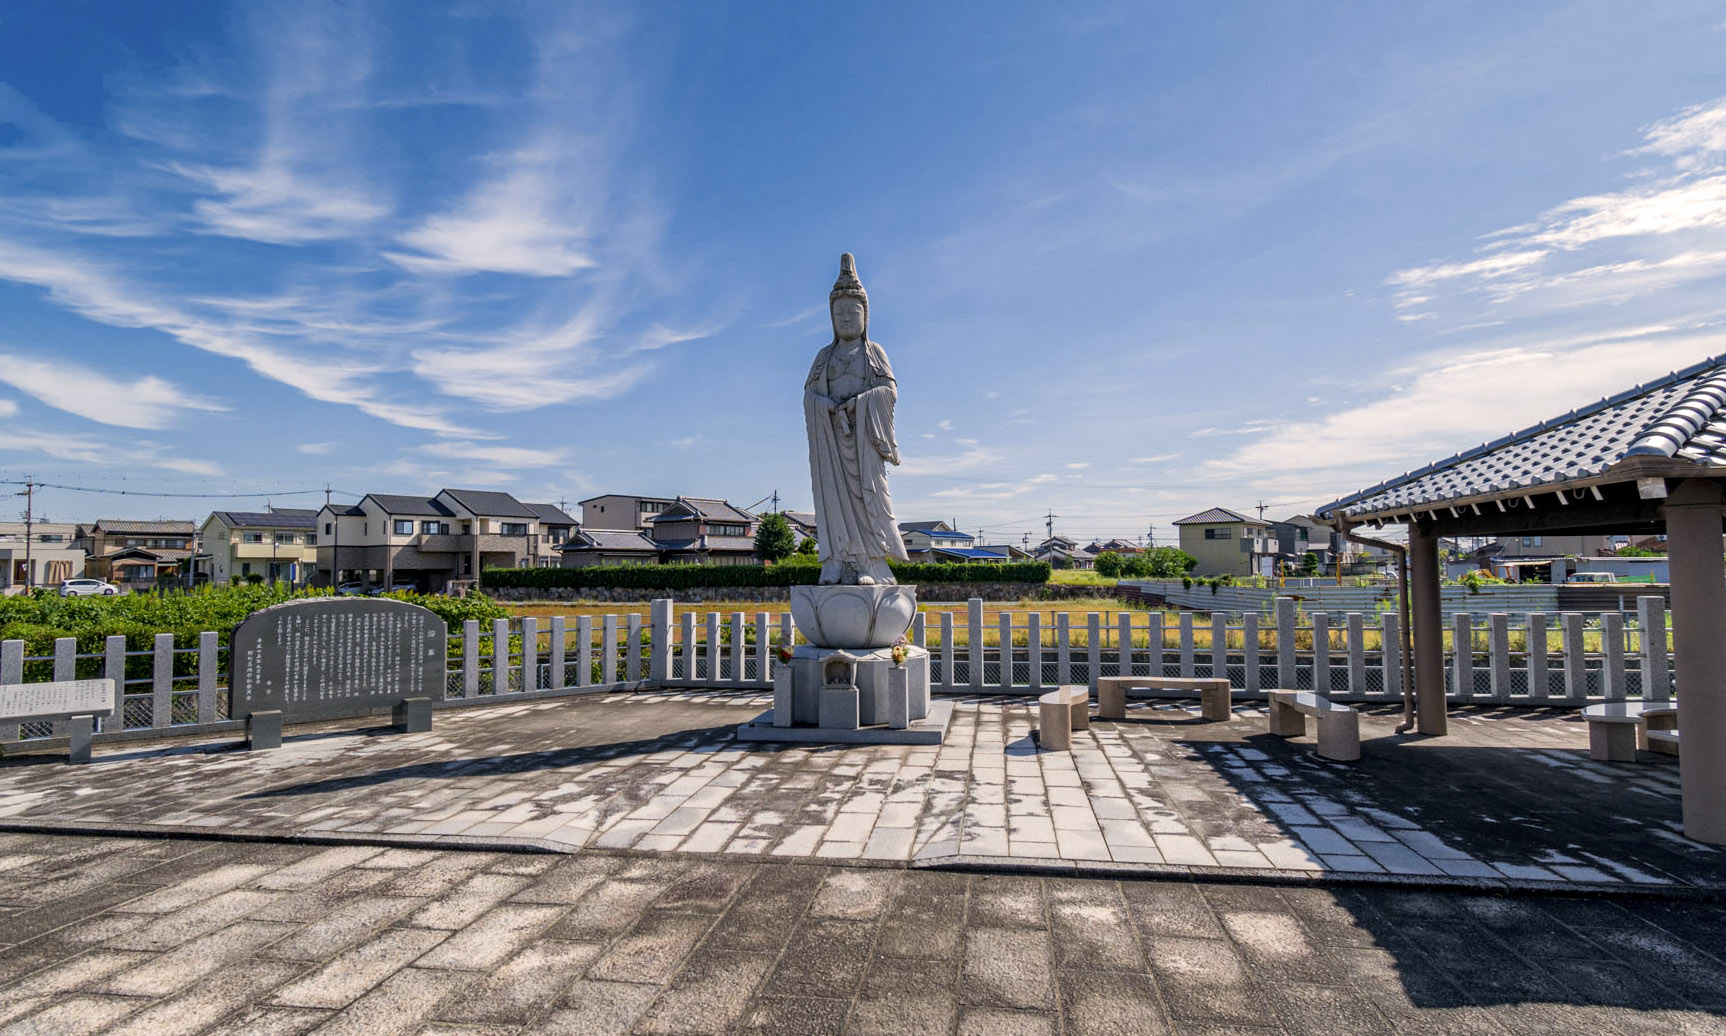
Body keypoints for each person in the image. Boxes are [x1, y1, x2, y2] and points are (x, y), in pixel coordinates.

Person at [803, 254, 910, 585]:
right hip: (833, 441)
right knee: (832, 500)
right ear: (831, 318)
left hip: (864, 441)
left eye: (853, 311)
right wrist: (827, 407)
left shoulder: (874, 352)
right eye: (840, 313)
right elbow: (809, 395)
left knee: (868, 498)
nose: (846, 318)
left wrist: (859, 404)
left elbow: (889, 390)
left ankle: (867, 562)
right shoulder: (825, 356)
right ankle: (836, 559)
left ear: (865, 315)